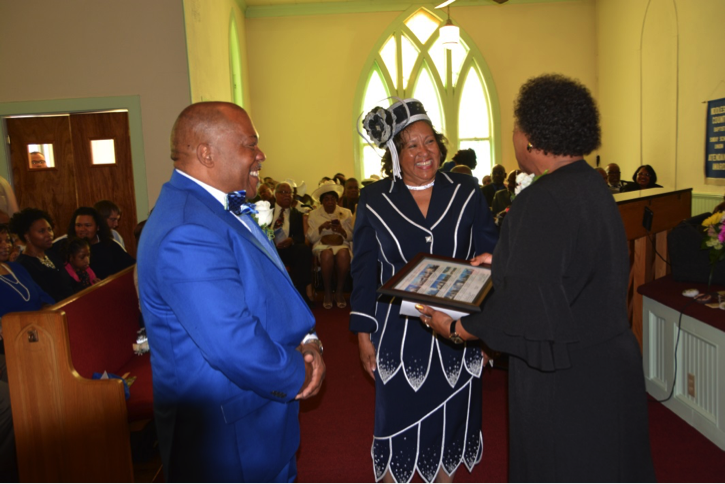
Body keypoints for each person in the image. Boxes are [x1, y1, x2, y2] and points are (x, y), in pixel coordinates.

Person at [417, 74, 656, 483]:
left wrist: (456, 329)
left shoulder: (539, 200)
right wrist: (505, 259)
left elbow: (523, 309)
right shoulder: (591, 184)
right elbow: (575, 262)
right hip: (609, 361)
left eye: (515, 126)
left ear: (530, 138)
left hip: (566, 376)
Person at [137, 101, 325, 483]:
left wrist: (308, 339)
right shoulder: (187, 231)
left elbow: (270, 289)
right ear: (207, 153)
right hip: (227, 440)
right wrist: (300, 373)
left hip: (257, 421)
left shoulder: (219, 206)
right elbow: (233, 343)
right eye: (250, 145)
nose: (261, 155)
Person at [353, 98, 498, 484]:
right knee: (394, 424)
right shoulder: (374, 199)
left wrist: (487, 331)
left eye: (429, 141)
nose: (423, 152)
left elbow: (490, 255)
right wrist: (363, 333)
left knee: (449, 425)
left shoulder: (466, 189)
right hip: (398, 334)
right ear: (394, 154)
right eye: (411, 145)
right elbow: (365, 270)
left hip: (458, 328)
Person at [0, 223, 54, 483]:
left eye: (6, 239)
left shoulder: (17, 268)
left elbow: (44, 298)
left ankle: (48, 456)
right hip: (9, 346)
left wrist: (41, 322)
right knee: (19, 395)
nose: (5, 245)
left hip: (38, 335)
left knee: (45, 379)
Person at [10, 208, 75, 302]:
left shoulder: (52, 255)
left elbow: (69, 285)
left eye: (49, 229)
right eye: (42, 231)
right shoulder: (23, 265)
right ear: (27, 236)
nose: (49, 234)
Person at [307, 181, 353, 309]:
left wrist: (342, 231)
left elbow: (352, 236)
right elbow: (310, 238)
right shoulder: (313, 214)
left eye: (333, 199)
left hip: (341, 243)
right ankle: (327, 292)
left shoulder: (346, 213)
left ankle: (339, 291)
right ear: (321, 201)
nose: (330, 202)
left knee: (343, 254)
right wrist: (321, 228)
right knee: (326, 255)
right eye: (326, 199)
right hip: (322, 245)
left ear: (337, 200)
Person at [59, 207, 135, 280]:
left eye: (87, 225)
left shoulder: (110, 245)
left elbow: (132, 268)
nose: (82, 229)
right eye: (78, 225)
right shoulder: (64, 245)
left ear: (98, 227)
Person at [273, 182, 314, 306]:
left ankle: (302, 293)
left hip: (289, 249)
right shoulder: (267, 210)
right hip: (270, 249)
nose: (287, 195)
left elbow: (301, 235)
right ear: (276, 194)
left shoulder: (296, 214)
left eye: (289, 193)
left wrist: (292, 240)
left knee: (303, 250)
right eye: (283, 192)